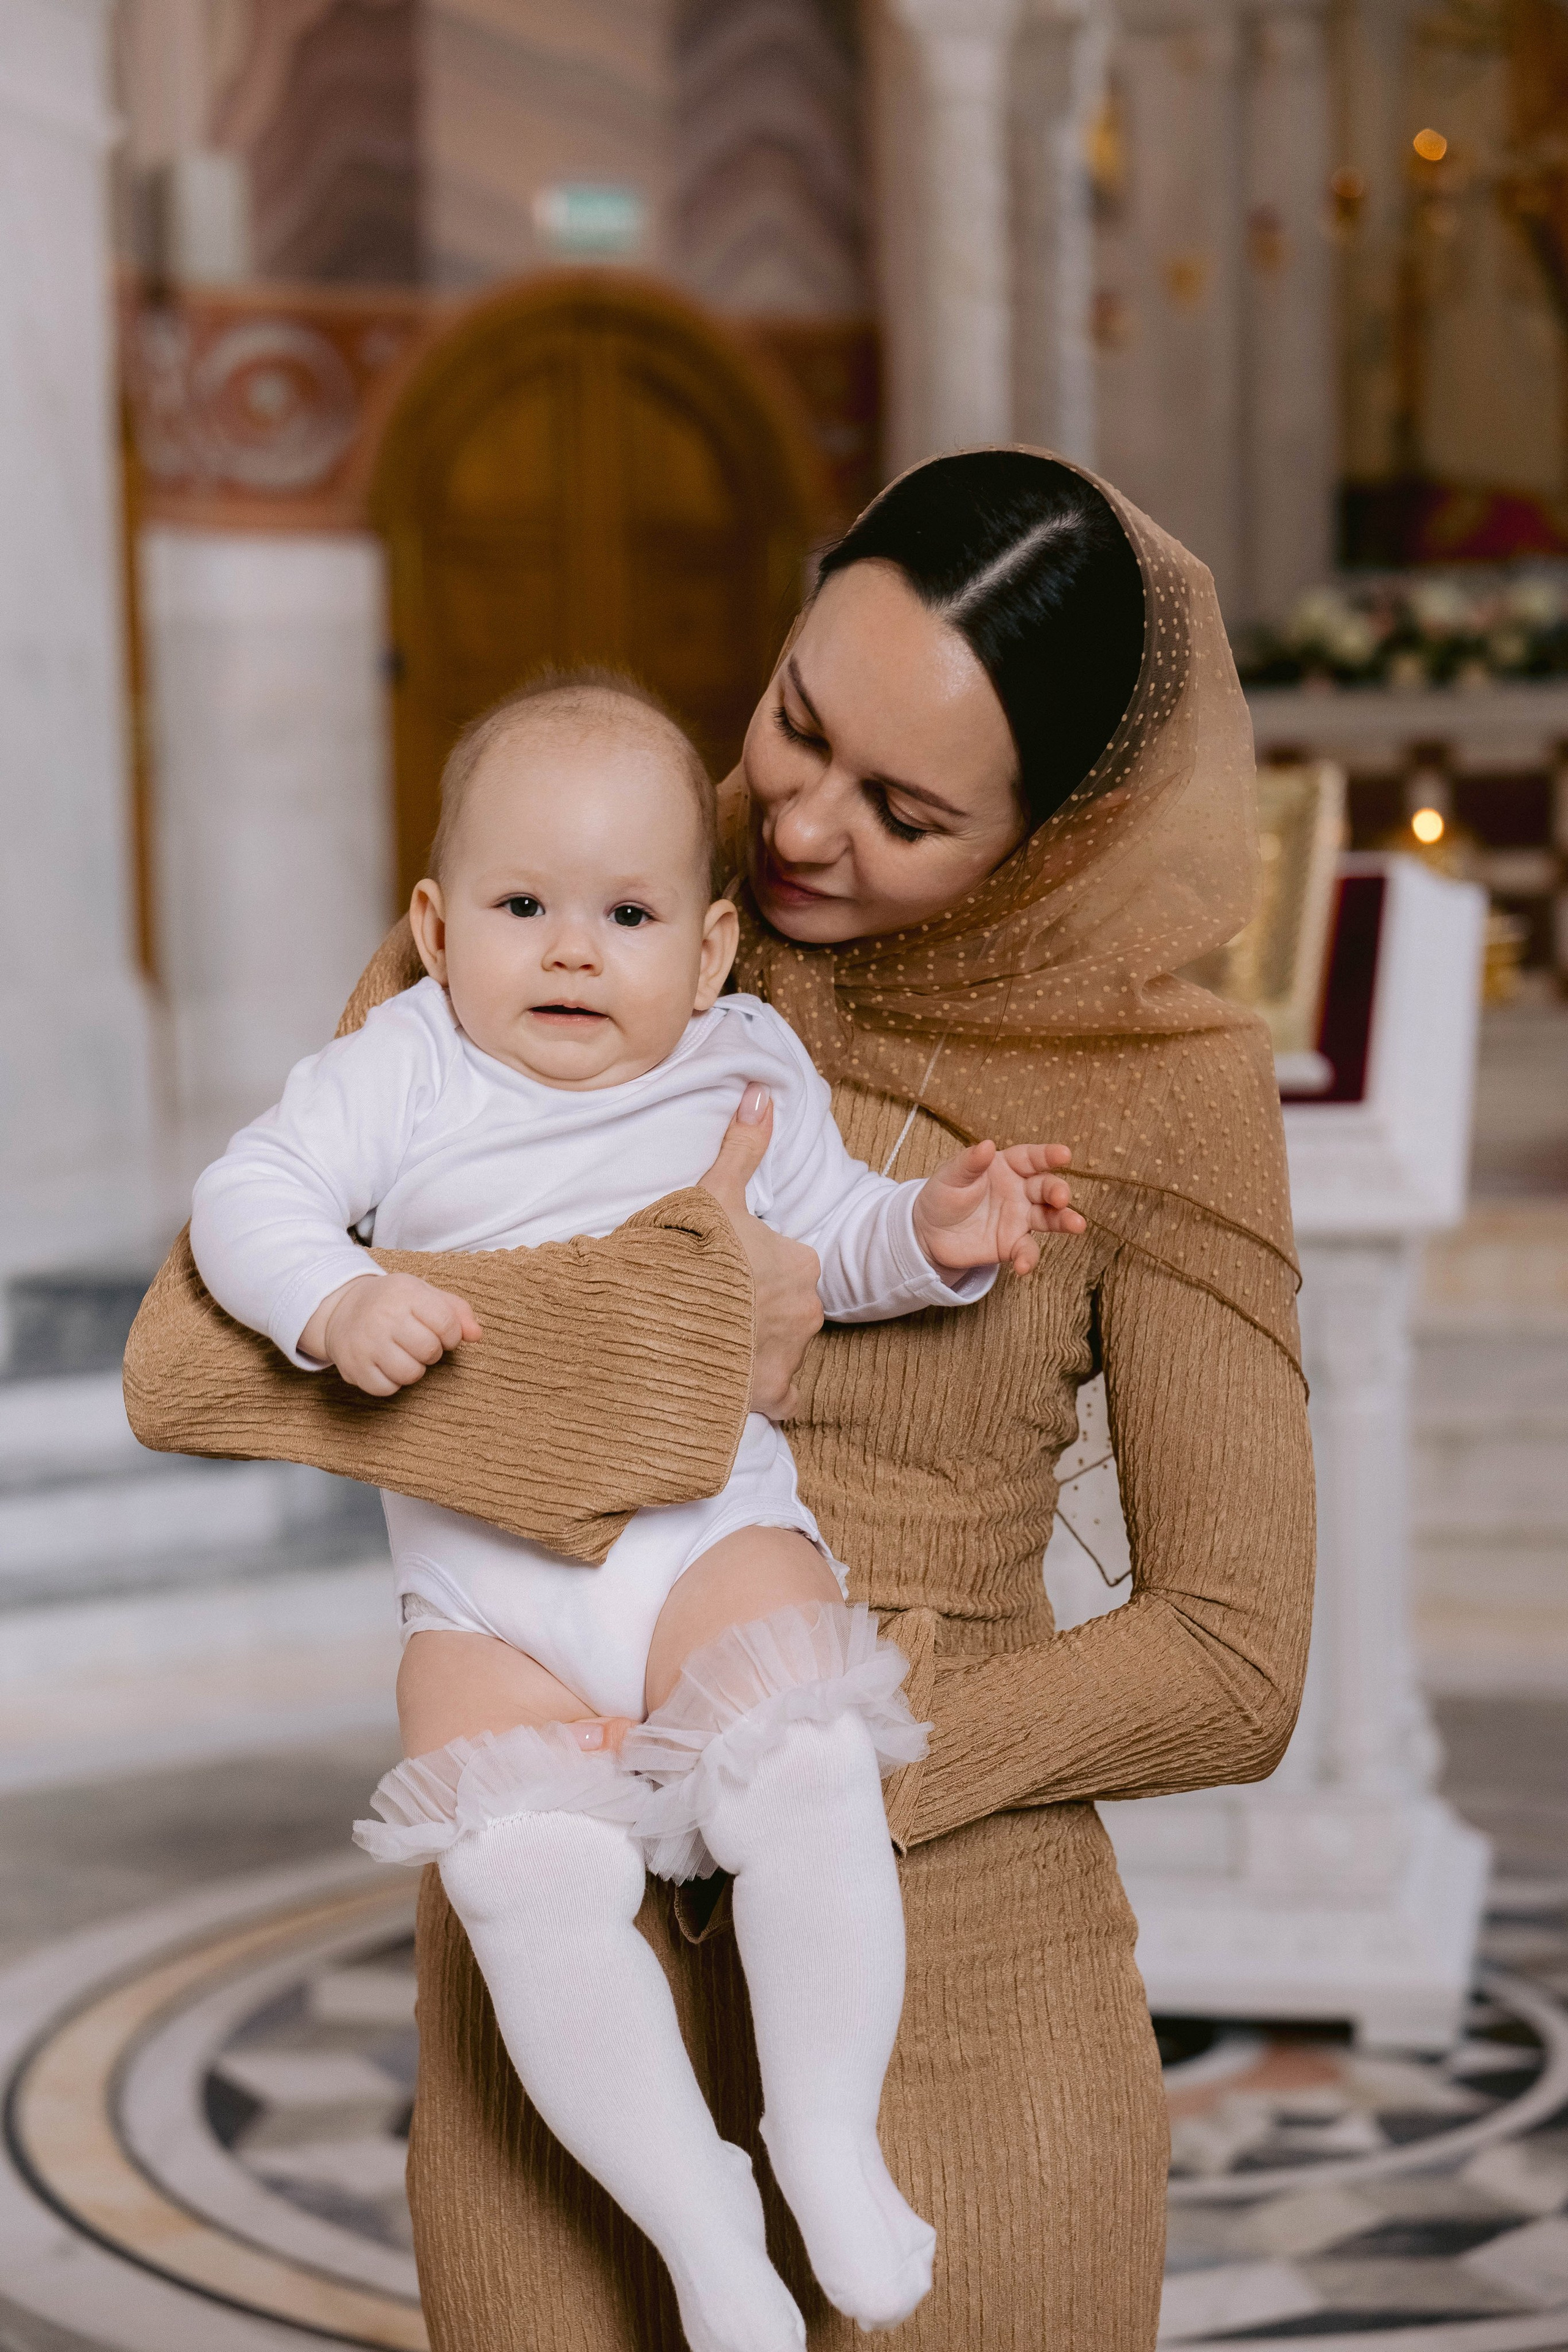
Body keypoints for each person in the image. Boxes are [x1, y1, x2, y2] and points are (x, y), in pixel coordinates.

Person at [125, 448, 1317, 2351]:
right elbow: (194, 1365)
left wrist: (777, 1739)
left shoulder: (1166, 1087)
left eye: (908, 810)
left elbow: (1238, 1662)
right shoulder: (570, 900)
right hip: (559, 1974)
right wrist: (664, 1334)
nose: (802, 826)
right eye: (793, 721)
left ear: (1055, 831)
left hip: (955, 1959)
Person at [185, 671, 1083, 2352]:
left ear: (715, 950)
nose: (575, 952)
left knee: (807, 1761)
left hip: (695, 1540)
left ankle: (822, 2137)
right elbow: (250, 1192)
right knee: (519, 1880)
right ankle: (700, 2223)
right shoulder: (408, 1064)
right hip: (486, 1604)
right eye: (524, 908)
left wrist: (937, 1235)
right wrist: (328, 1301)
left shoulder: (744, 1071)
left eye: (627, 913)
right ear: (438, 928)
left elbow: (831, 1246)